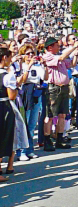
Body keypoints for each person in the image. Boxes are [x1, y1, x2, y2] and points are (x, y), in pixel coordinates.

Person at [42, 36, 78, 151]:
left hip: (63, 87)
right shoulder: (48, 56)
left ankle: (59, 138)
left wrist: (76, 53)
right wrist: (73, 47)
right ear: (50, 47)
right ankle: (47, 139)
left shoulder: (59, 57)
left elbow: (72, 64)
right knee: (50, 115)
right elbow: (63, 56)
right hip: (53, 88)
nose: (59, 47)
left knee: (62, 114)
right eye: (57, 45)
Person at [0, 48, 19, 181]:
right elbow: (12, 96)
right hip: (4, 107)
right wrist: (16, 87)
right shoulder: (7, 75)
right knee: (4, 136)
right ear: (4, 58)